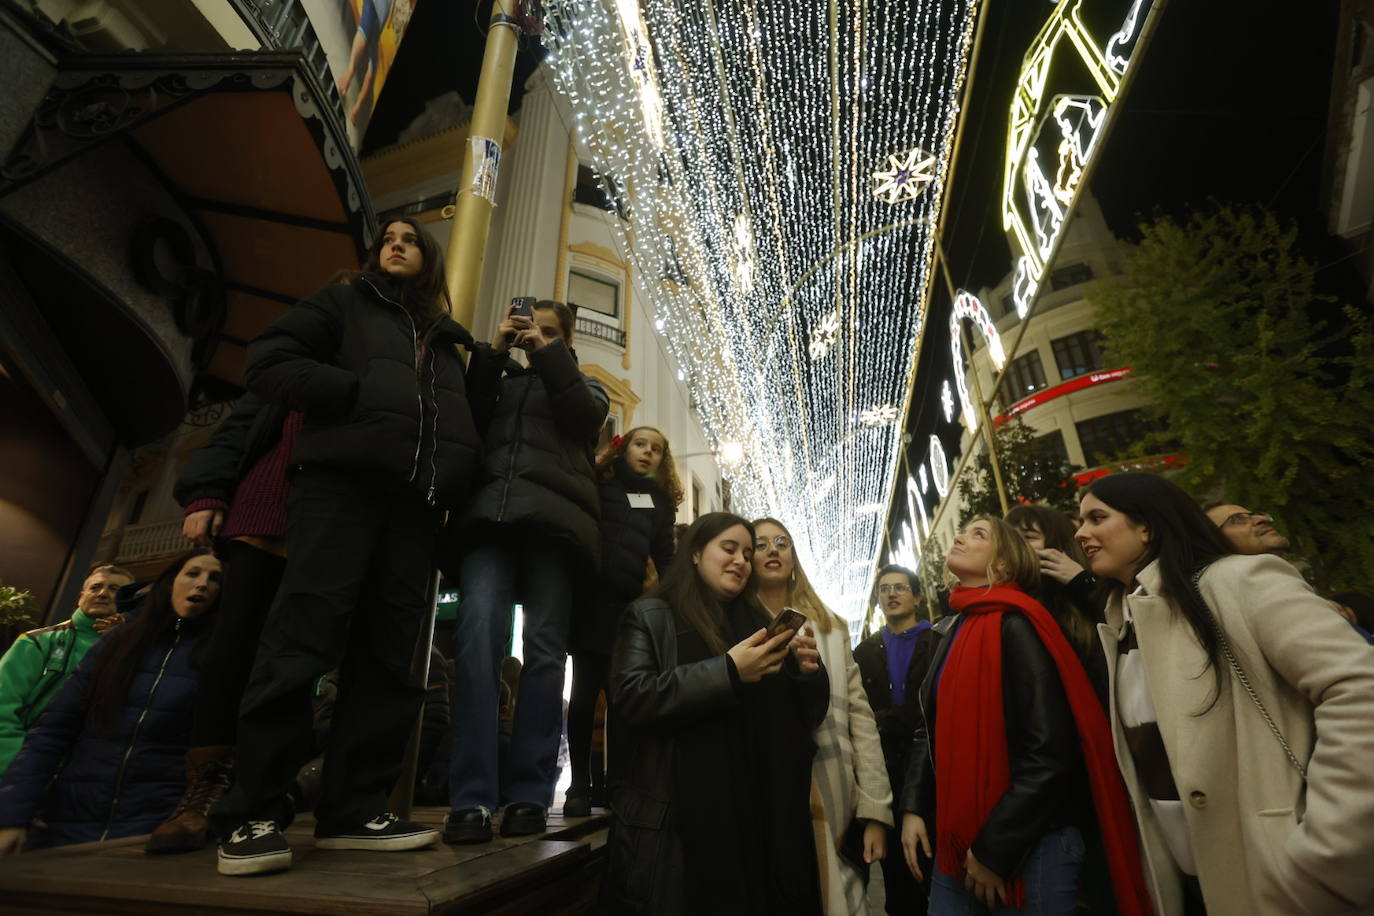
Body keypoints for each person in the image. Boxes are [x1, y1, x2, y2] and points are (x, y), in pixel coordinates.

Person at [209, 217, 484, 876]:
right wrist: (350, 393)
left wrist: (453, 476)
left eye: (411, 239)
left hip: (414, 509)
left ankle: (354, 809)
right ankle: (252, 810)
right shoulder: (343, 303)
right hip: (339, 488)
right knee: (301, 638)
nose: (397, 243)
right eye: (389, 236)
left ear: (430, 261)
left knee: (392, 656)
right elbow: (268, 359)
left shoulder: (448, 343)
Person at [1077, 473, 1374, 915]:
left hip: (1286, 883)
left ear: (1147, 525)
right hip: (1195, 889)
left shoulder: (1239, 581)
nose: (1081, 534)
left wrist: (1327, 849)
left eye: (1097, 517)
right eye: (1079, 522)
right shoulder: (1120, 624)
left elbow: (1360, 689)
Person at [899, 516, 1151, 916]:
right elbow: (927, 729)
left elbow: (1049, 753)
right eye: (964, 531)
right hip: (959, 841)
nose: (961, 536)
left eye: (978, 534)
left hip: (1031, 844)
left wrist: (994, 849)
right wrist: (914, 806)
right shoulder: (951, 630)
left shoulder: (1020, 625)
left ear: (1002, 566)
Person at [602, 512, 828, 915]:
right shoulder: (651, 615)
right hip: (683, 829)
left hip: (755, 827)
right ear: (694, 553)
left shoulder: (757, 623)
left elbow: (798, 721)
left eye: (746, 553)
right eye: (729, 548)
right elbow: (632, 697)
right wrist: (728, 672)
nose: (742, 560)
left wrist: (808, 675)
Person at [444, 298, 609, 844]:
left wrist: (548, 358)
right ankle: (469, 799)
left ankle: (529, 797)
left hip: (554, 530)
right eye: (527, 326)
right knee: (476, 649)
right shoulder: (502, 380)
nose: (533, 334)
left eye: (548, 330)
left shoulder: (587, 385)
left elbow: (586, 421)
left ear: (568, 342)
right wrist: (492, 353)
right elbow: (465, 417)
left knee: (543, 656)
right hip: (490, 521)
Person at [144, 391, 298, 854]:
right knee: (227, 656)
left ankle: (268, 788)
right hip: (261, 515)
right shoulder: (293, 367)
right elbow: (235, 432)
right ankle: (202, 794)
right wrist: (206, 494)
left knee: (292, 667)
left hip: (328, 528)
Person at [0, 550, 222, 852]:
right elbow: (53, 731)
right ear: (170, 582)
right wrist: (12, 814)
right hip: (66, 819)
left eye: (215, 578)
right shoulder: (117, 642)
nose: (202, 584)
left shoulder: (221, 658)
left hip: (150, 829)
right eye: (193, 573)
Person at [750, 517, 892, 914]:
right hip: (766, 792)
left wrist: (875, 810)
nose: (773, 550)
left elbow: (860, 720)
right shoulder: (736, 625)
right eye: (760, 544)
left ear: (794, 557)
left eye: (781, 542)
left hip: (832, 791)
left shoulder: (831, 628)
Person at [565, 426, 680, 818]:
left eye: (657, 448)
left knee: (621, 701)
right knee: (583, 697)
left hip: (630, 613)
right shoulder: (601, 484)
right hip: (591, 605)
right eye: (640, 443)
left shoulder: (661, 504)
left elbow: (665, 557)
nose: (648, 452)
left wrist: (671, 603)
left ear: (663, 460)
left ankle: (617, 785)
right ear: (624, 448)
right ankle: (579, 786)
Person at [854, 563, 940, 914]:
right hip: (887, 773)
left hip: (932, 773)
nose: (891, 594)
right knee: (899, 887)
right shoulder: (865, 651)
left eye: (900, 587)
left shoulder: (937, 641)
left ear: (917, 596)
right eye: (884, 589)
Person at [0, 564, 133, 779]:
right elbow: (2, 708)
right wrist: (22, 767)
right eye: (96, 587)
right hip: (24, 769)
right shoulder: (37, 642)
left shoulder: (137, 654)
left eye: (114, 589)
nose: (102, 593)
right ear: (81, 596)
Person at [1004, 505, 1108, 704]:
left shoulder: (1088, 595)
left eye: (1028, 537)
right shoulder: (1008, 607)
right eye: (1008, 539)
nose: (1014, 547)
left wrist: (1082, 584)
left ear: (1059, 547)